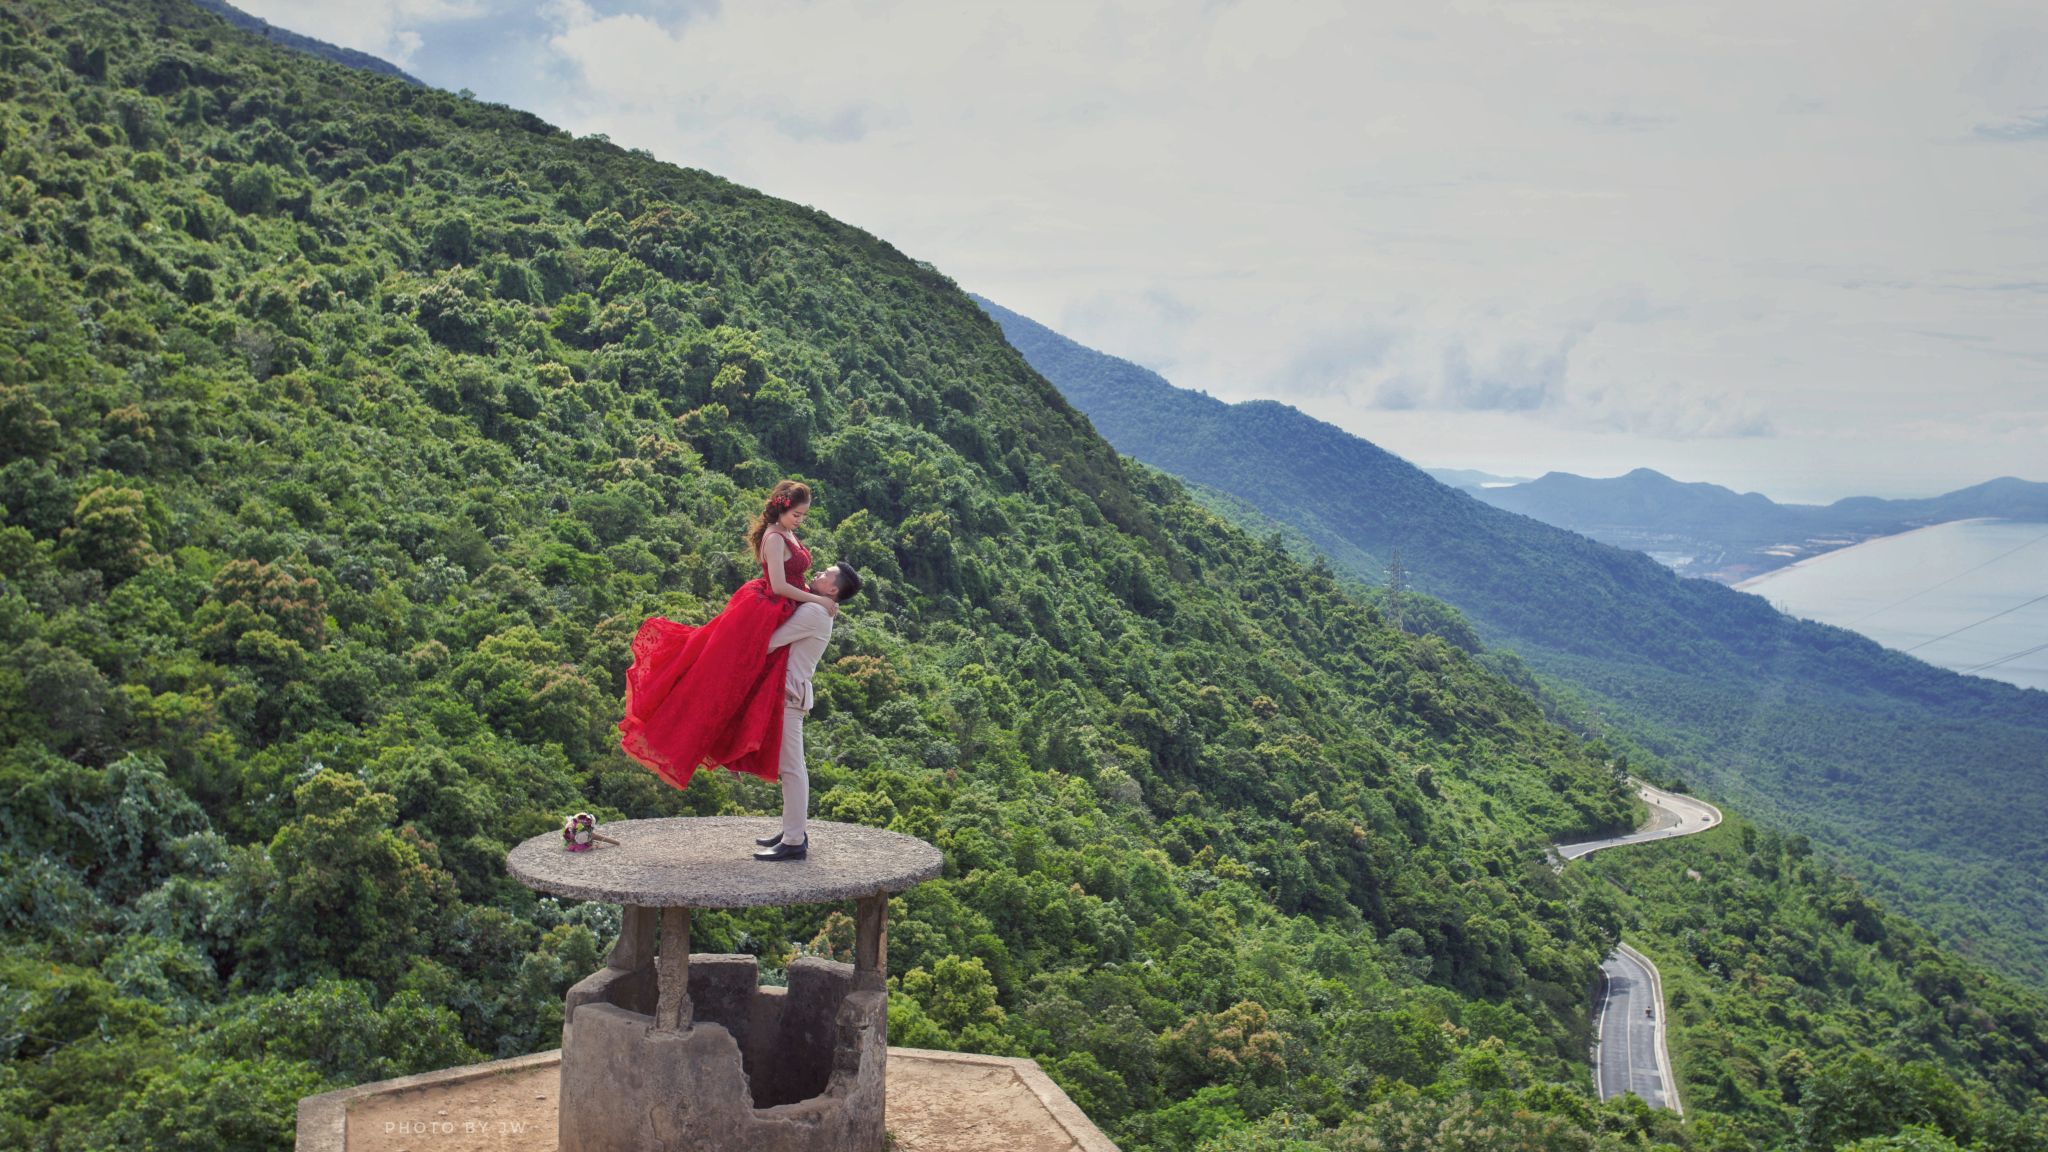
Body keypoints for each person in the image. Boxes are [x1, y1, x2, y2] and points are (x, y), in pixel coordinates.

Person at [615, 480, 840, 794]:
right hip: (766, 608)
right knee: (725, 676)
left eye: (803, 516)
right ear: (782, 506)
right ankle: (720, 746)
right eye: (797, 515)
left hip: (783, 607)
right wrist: (818, 600)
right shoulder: (775, 537)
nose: (800, 521)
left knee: (752, 681)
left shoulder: (786, 532)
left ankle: (731, 750)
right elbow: (778, 585)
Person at [752, 561, 862, 861]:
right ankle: (793, 829)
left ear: (832, 590)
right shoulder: (818, 605)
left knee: (791, 768)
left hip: (789, 695)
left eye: (824, 574)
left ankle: (794, 840)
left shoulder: (815, 611)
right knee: (790, 767)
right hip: (790, 693)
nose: (817, 574)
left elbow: (772, 643)